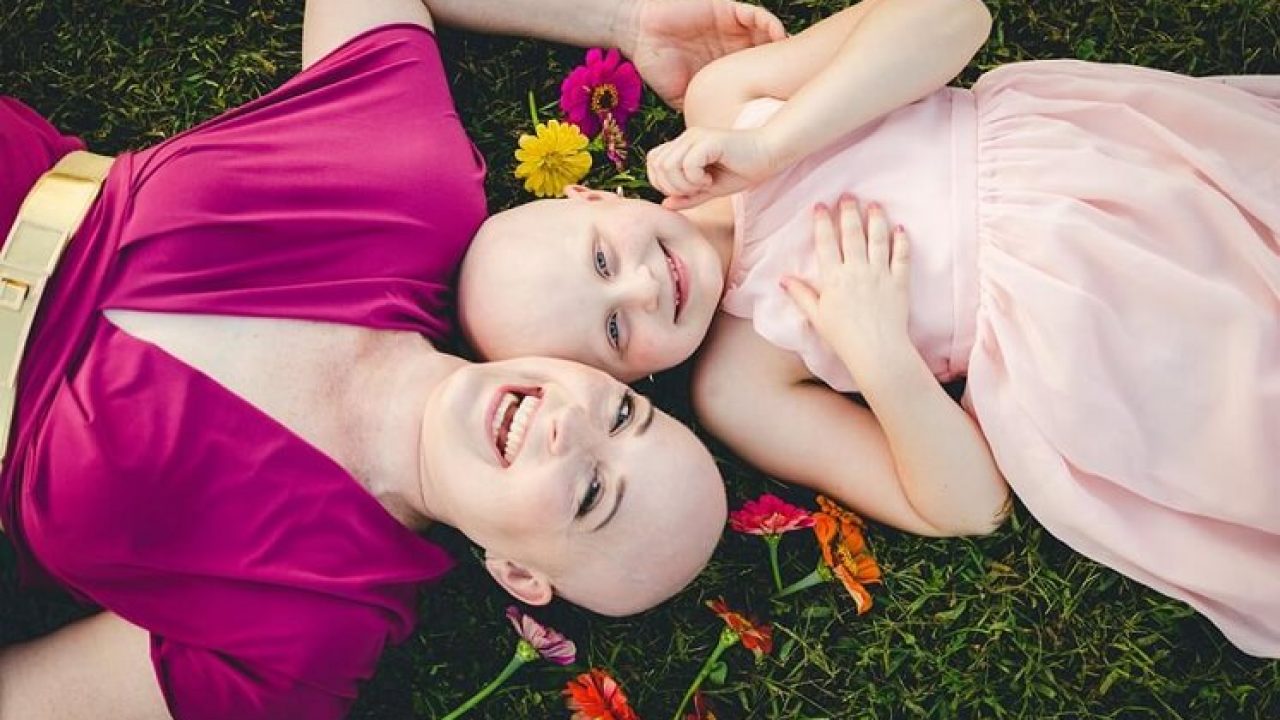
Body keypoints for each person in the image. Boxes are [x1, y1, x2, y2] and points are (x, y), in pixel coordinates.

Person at [0, 0, 781, 716]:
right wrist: (623, 21)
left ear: (517, 573)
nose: (571, 428)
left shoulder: (312, 631)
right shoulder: (414, 195)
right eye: (620, 412)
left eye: (588, 496)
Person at [457, 0, 1280, 657]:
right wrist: (880, 352)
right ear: (618, 384)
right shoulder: (740, 381)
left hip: (1106, 178)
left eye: (604, 259)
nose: (643, 287)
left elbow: (953, 19)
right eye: (613, 331)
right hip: (1086, 341)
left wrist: (774, 144)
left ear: (594, 198)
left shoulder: (727, 101)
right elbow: (966, 505)